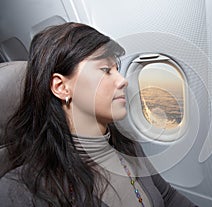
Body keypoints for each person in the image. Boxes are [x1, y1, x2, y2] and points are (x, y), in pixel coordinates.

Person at [0, 22, 197, 207]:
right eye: (105, 70)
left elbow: (168, 197)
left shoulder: (128, 146)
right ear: (61, 87)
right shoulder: (21, 189)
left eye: (117, 69)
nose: (122, 81)